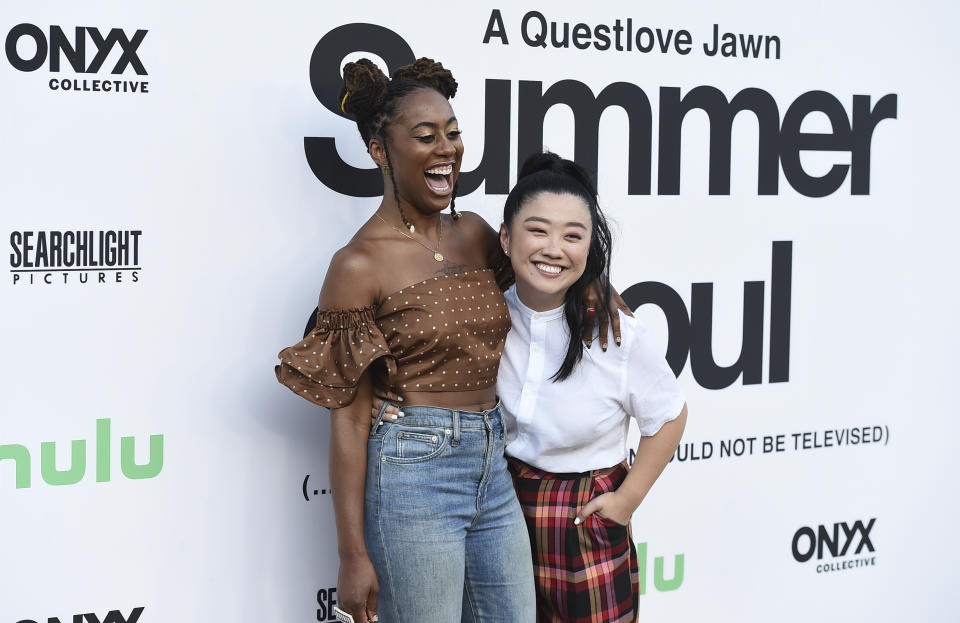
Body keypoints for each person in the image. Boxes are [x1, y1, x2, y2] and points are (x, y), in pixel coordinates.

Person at [276, 59, 624, 623]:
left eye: (453, 133)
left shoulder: (477, 235)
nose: (446, 149)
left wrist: (596, 287)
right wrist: (351, 554)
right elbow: (349, 418)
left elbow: (546, 277)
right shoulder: (358, 264)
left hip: (494, 464)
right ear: (379, 151)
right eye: (425, 136)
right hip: (414, 471)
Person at [497, 153, 688, 622]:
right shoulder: (486, 315)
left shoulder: (614, 332)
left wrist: (626, 501)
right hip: (501, 510)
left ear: (588, 250)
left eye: (572, 236)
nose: (554, 248)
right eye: (538, 231)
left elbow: (668, 416)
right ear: (506, 237)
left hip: (585, 519)